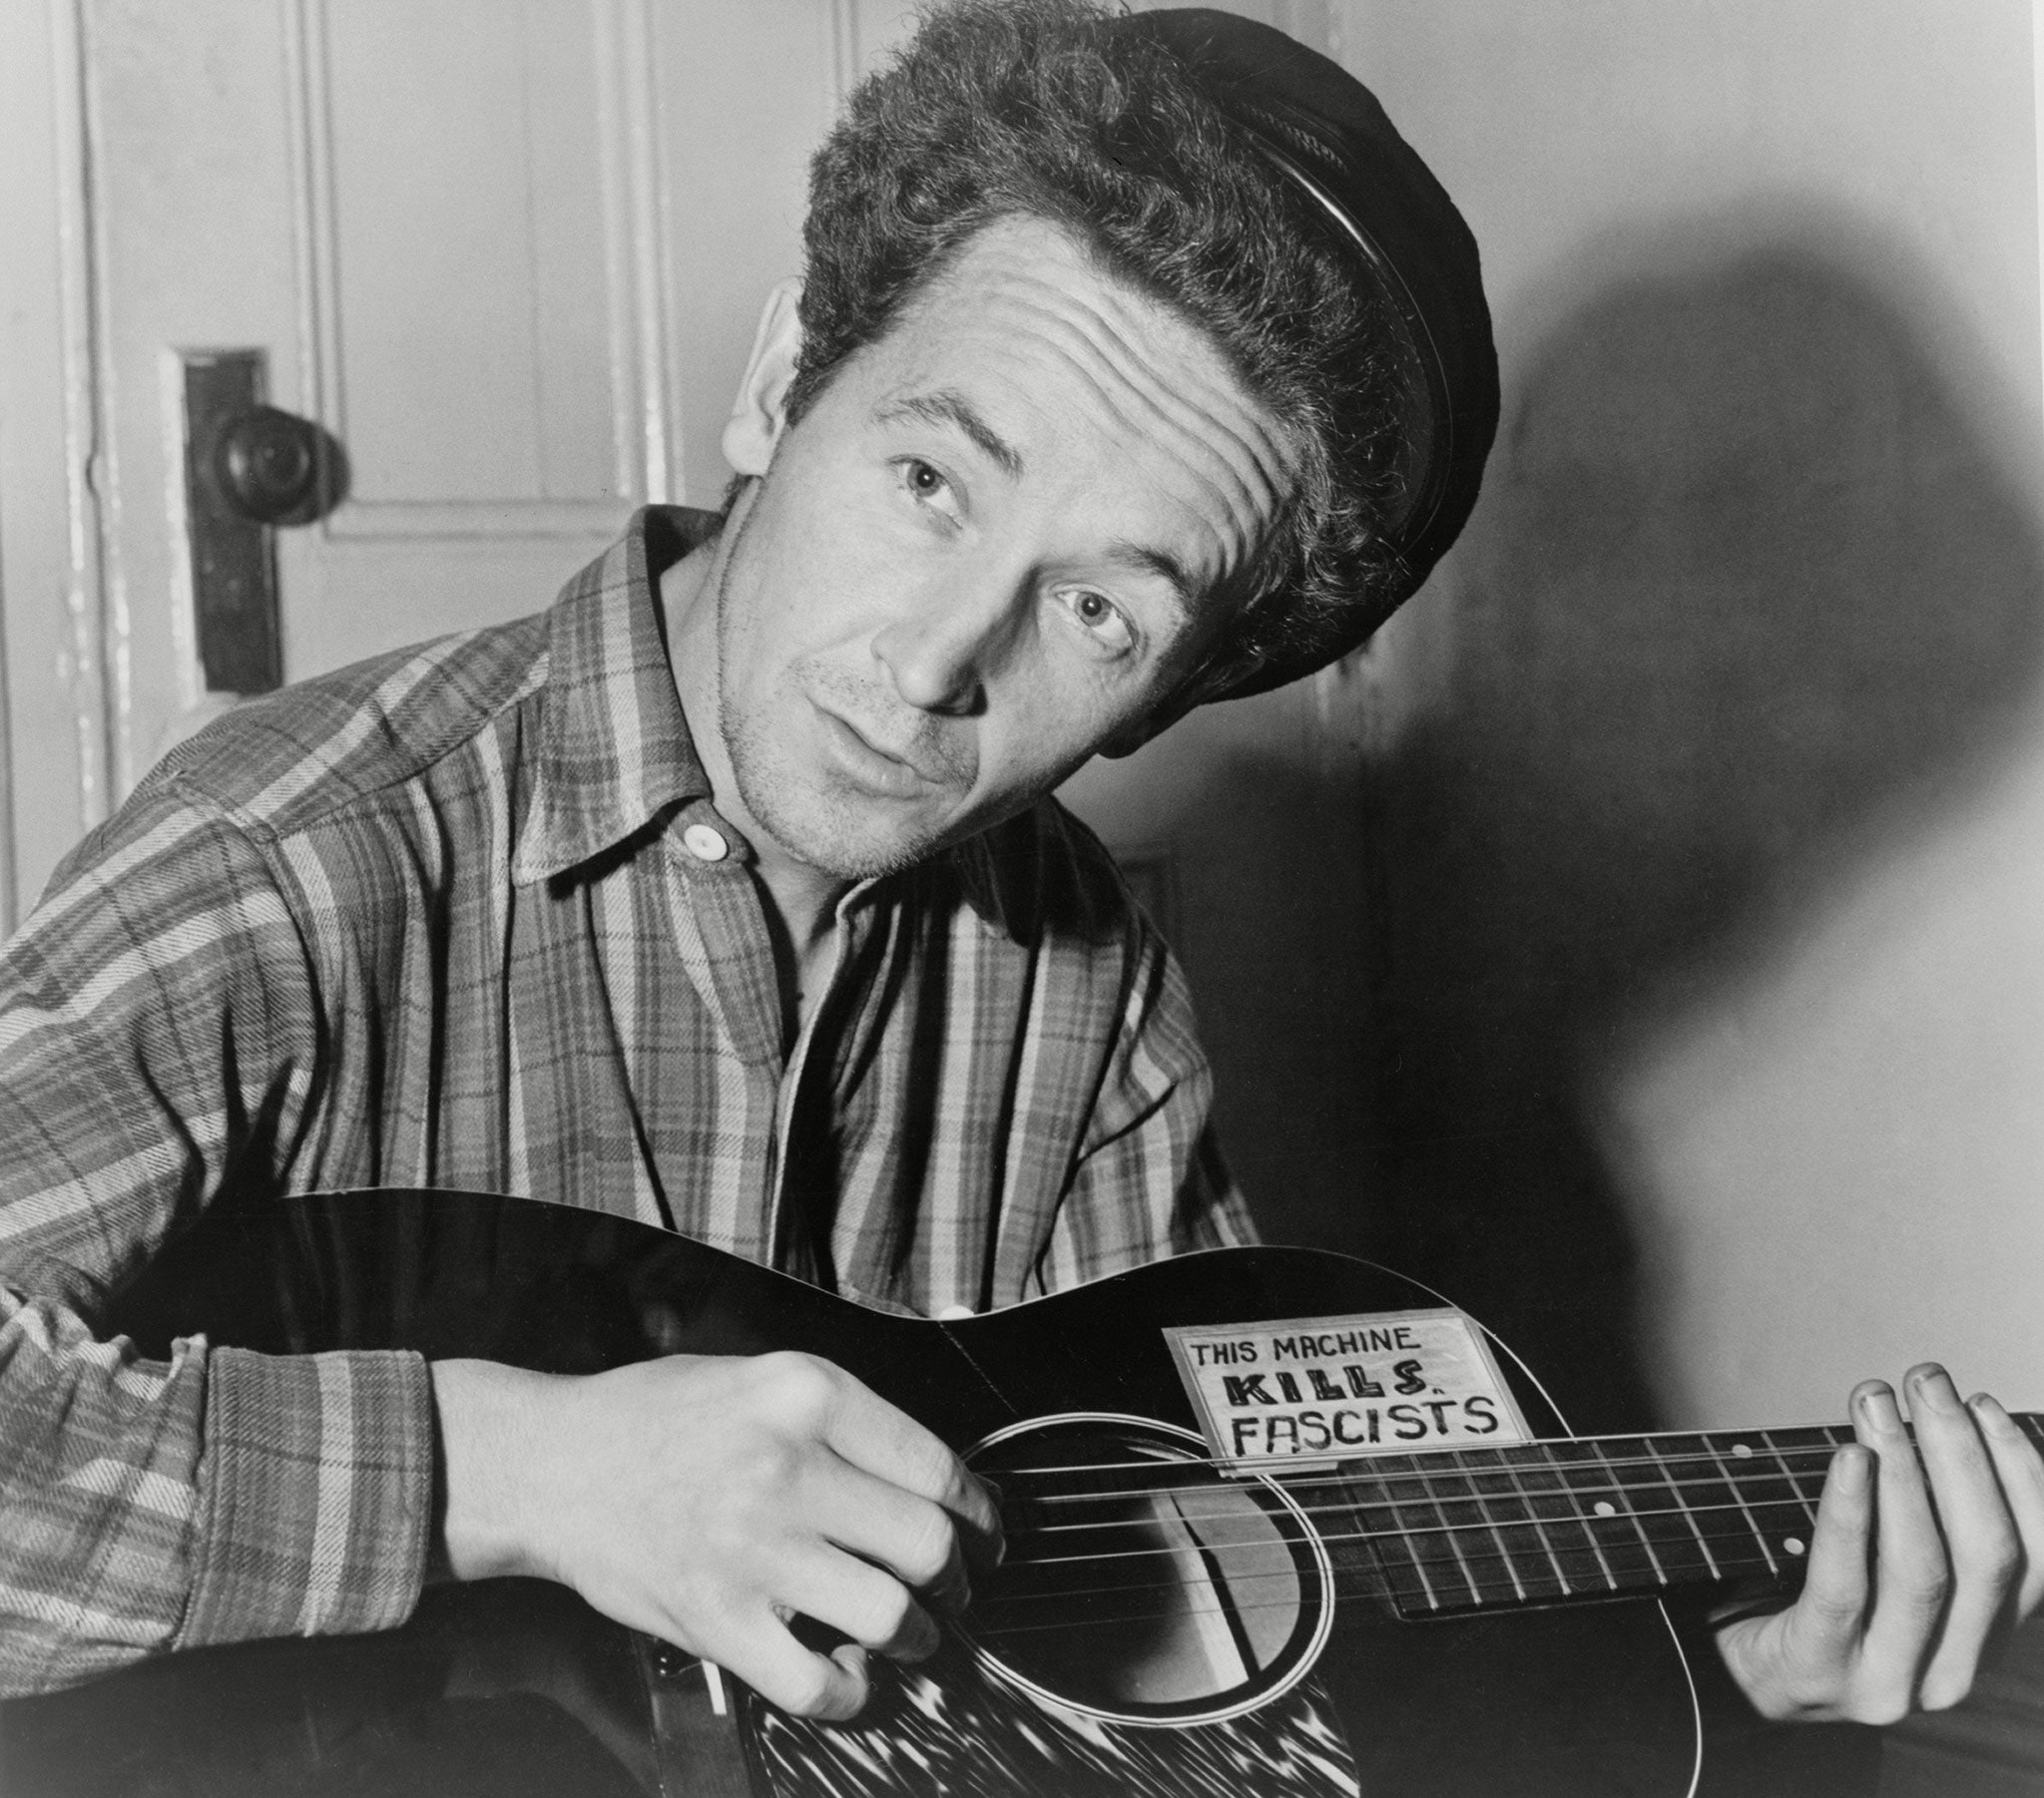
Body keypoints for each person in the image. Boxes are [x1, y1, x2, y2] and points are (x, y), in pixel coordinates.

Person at [0, 0, 2036, 1739]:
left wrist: (1711, 1671)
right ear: (783, 374)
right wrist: (503, 1466)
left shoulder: (1086, 980)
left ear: (1173, 693)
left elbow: (1189, 1593)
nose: (936, 657)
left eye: (1104, 615)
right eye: (924, 479)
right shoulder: (301, 858)